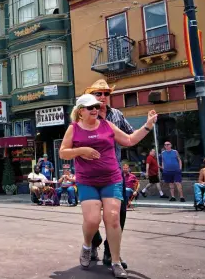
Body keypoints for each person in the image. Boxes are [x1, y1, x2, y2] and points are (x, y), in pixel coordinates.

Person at [59, 93, 157, 278]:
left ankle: (116, 261)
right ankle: (87, 246)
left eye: (96, 106)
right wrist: (81, 150)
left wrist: (147, 125)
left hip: (111, 178)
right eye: (90, 107)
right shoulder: (73, 129)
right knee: (92, 220)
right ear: (81, 112)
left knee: (112, 218)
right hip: (87, 181)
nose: (95, 109)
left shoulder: (106, 125)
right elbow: (63, 153)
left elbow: (129, 140)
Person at [86, 79, 135, 269]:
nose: (103, 97)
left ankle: (110, 252)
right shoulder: (87, 116)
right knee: (92, 216)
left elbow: (130, 136)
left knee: (119, 214)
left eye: (106, 93)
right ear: (92, 96)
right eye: (99, 93)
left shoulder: (117, 115)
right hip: (91, 173)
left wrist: (146, 126)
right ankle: (94, 240)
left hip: (114, 172)